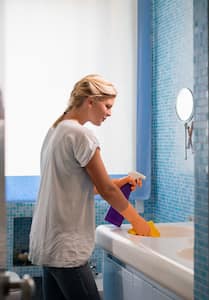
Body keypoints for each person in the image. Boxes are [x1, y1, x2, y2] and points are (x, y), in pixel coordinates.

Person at [29, 74, 151, 300]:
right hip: (67, 250)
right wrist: (137, 221)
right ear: (91, 101)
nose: (109, 113)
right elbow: (106, 190)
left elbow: (75, 186)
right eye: (107, 106)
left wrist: (119, 183)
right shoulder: (80, 134)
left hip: (48, 245)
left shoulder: (56, 130)